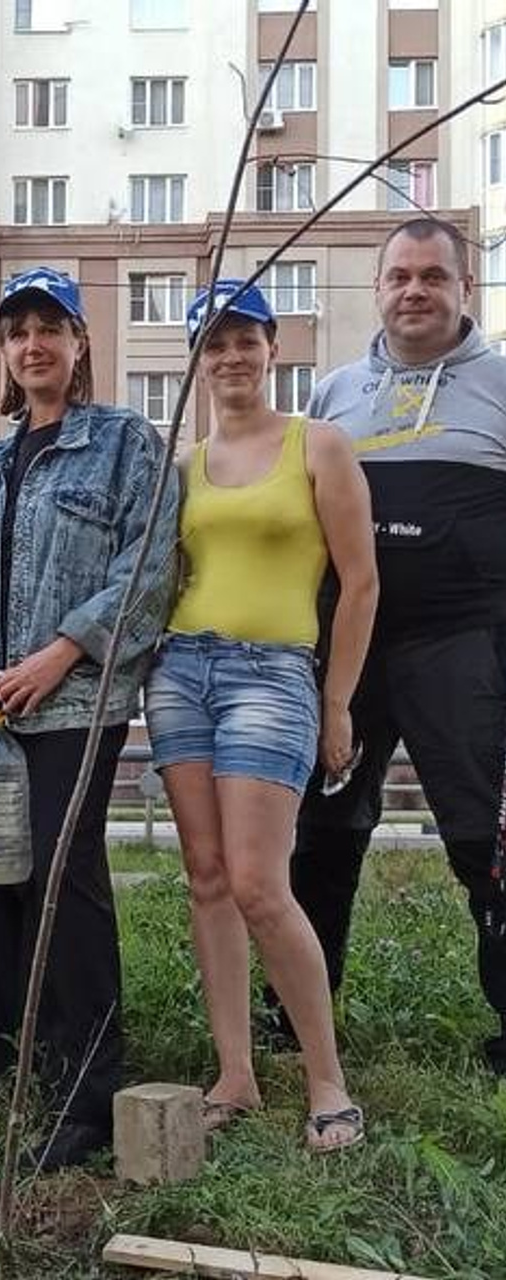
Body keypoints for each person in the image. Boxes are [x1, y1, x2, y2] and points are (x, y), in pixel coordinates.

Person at [0, 267, 179, 1172]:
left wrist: (62, 651)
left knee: (63, 883)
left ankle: (84, 1088)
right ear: (3, 351)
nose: (34, 346)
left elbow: (147, 566)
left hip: (71, 703)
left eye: (50, 329)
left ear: (80, 345)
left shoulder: (123, 446)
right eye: (17, 331)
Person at [144, 281, 377, 1152]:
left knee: (258, 882)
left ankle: (326, 1079)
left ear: (273, 349)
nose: (232, 357)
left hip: (272, 676)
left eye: (247, 340)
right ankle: (235, 1074)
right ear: (198, 361)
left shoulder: (318, 445)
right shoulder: (186, 465)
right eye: (215, 344)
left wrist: (337, 700)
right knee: (206, 878)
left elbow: (360, 582)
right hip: (180, 672)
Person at [287, 218, 506, 1076]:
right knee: (323, 829)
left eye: (434, 277)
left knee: (482, 836)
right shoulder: (335, 392)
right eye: (399, 276)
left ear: (465, 290)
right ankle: (294, 1014)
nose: (415, 290)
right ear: (376, 288)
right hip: (350, 644)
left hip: (466, 643)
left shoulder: (500, 383)